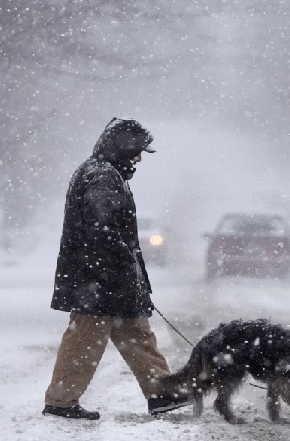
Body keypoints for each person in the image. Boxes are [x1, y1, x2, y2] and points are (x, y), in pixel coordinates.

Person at [42, 117, 189, 420]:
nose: (138, 159)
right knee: (85, 338)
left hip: (107, 278)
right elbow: (102, 229)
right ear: (121, 148)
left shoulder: (103, 173)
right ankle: (61, 401)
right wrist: (123, 265)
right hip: (97, 279)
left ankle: (161, 393)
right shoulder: (102, 176)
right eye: (135, 151)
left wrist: (131, 275)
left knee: (137, 334)